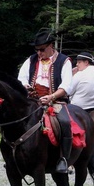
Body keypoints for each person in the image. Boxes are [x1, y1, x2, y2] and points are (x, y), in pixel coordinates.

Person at [17, 30, 73, 173]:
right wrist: (25, 87)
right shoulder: (31, 60)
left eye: (42, 49)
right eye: (37, 50)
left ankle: (63, 159)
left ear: (51, 46)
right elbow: (21, 78)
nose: (39, 53)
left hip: (56, 101)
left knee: (65, 122)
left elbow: (67, 86)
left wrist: (52, 96)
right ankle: (15, 157)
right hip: (32, 100)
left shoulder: (64, 61)